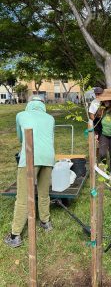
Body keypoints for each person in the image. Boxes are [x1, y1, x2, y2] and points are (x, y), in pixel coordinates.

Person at [4, 95, 55, 248]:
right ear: (43, 105)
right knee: (44, 192)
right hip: (49, 157)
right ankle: (46, 222)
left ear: (29, 104)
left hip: (30, 157)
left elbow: (21, 138)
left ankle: (15, 235)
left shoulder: (21, 115)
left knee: (23, 196)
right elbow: (51, 138)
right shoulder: (50, 118)